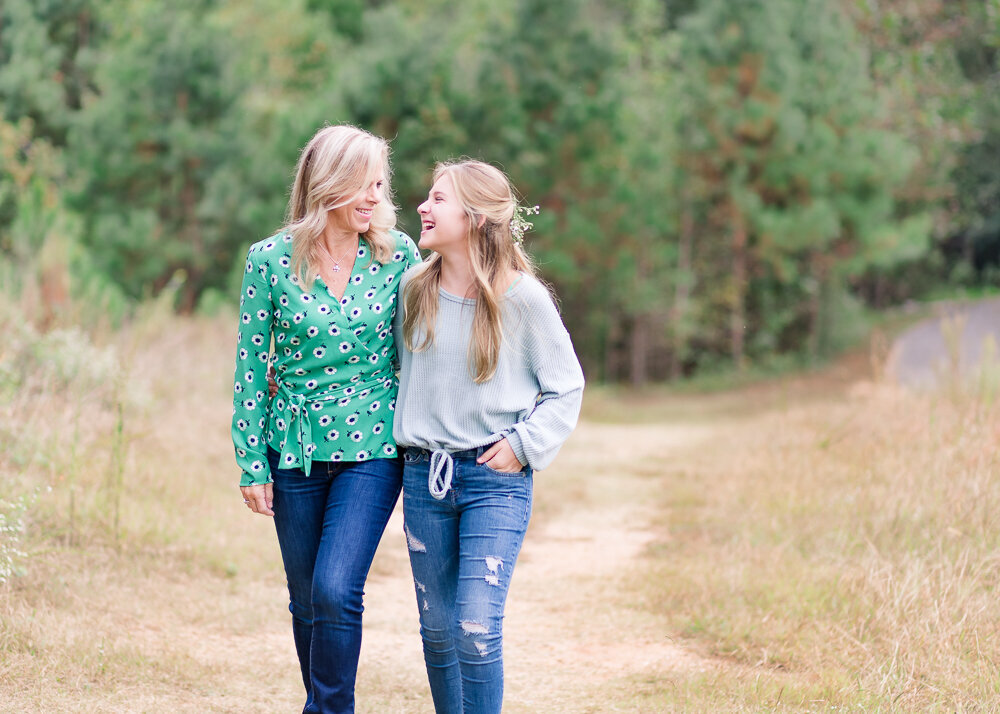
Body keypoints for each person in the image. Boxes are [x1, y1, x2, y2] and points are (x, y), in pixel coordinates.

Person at [231, 123, 420, 714]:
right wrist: (250, 461)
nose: (374, 198)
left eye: (380, 185)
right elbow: (249, 366)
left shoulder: (399, 257)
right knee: (306, 599)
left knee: (337, 590)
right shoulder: (269, 260)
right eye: (362, 185)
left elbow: (424, 348)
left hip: (372, 446)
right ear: (327, 184)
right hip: (294, 449)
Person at [393, 160, 585, 713]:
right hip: (424, 478)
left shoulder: (522, 299)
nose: (423, 208)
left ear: (475, 218)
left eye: (437, 199)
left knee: (475, 627)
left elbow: (565, 387)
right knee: (437, 631)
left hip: (494, 483)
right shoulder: (413, 290)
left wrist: (523, 446)